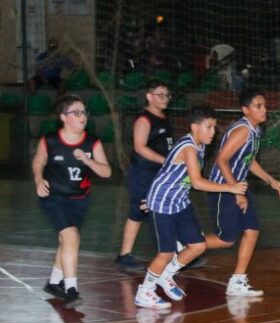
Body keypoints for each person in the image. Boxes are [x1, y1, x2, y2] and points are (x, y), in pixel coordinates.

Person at [134, 105, 247, 309]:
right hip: (163, 202)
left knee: (198, 246)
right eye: (209, 127)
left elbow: (172, 172)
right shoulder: (189, 147)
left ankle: (166, 275)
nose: (213, 132)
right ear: (195, 127)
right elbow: (196, 182)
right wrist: (231, 187)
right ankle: (145, 291)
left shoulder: (200, 144)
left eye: (214, 127)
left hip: (179, 200)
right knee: (166, 253)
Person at [205, 88, 280, 296]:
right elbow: (221, 160)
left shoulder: (255, 130)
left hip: (238, 185)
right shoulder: (242, 130)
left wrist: (272, 181)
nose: (264, 110)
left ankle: (238, 280)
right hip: (223, 188)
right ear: (245, 110)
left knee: (252, 230)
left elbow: (248, 161)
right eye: (258, 106)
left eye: (264, 105)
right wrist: (236, 192)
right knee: (226, 239)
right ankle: (187, 244)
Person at [33, 95, 112, 305]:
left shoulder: (92, 142)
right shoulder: (50, 140)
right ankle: (71, 290)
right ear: (63, 117)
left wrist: (88, 160)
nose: (82, 116)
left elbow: (106, 172)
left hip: (80, 200)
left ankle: (53, 282)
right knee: (71, 236)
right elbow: (39, 161)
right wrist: (38, 178)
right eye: (76, 112)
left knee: (68, 240)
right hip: (53, 196)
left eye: (84, 112)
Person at [115, 80, 175, 272]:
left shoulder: (164, 118)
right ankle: (125, 255)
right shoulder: (144, 119)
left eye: (167, 95)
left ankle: (171, 252)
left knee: (156, 211)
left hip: (158, 174)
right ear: (149, 97)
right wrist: (166, 161)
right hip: (143, 173)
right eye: (160, 94)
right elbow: (140, 147)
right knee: (140, 211)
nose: (164, 98)